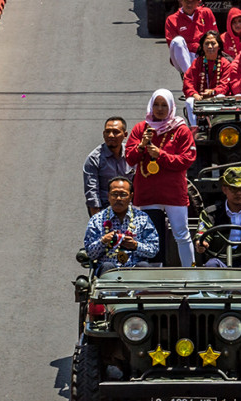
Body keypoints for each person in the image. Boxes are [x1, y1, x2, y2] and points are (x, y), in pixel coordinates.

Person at [125, 89, 197, 267]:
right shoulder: (141, 129)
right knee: (151, 235)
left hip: (173, 193)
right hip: (148, 194)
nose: (160, 109)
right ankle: (156, 277)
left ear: (171, 106)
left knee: (181, 234)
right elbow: (129, 158)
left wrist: (161, 155)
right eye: (156, 104)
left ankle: (191, 273)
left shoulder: (180, 130)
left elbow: (186, 160)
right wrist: (141, 146)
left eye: (164, 105)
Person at [83, 176, 160, 274]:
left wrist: (136, 246)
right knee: (107, 266)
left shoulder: (143, 218)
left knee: (143, 266)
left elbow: (154, 249)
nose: (118, 198)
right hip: (109, 270)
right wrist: (103, 241)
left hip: (135, 268)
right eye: (114, 194)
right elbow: (90, 253)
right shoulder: (97, 220)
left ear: (131, 196)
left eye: (123, 195)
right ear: (108, 196)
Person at [83, 117, 135, 216]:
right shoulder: (94, 159)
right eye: (107, 132)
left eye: (115, 132)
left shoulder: (132, 154)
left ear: (125, 135)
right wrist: (97, 222)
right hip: (105, 211)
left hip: (131, 210)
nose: (111, 135)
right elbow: (92, 194)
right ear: (103, 134)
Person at [182, 30, 233, 126]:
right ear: (203, 46)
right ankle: (194, 128)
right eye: (207, 44)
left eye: (213, 43)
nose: (210, 47)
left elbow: (225, 85)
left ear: (219, 46)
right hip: (200, 97)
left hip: (216, 96)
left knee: (221, 98)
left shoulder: (225, 63)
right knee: (189, 101)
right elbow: (188, 81)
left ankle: (216, 126)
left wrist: (212, 92)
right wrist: (194, 95)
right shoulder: (197, 62)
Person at [166, 0, 219, 74]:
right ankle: (189, 76)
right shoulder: (171, 19)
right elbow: (173, 45)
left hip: (204, 52)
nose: (189, 4)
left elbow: (215, 36)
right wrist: (194, 47)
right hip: (184, 55)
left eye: (193, 1)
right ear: (181, 1)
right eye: (186, 1)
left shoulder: (206, 13)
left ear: (199, 2)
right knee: (178, 41)